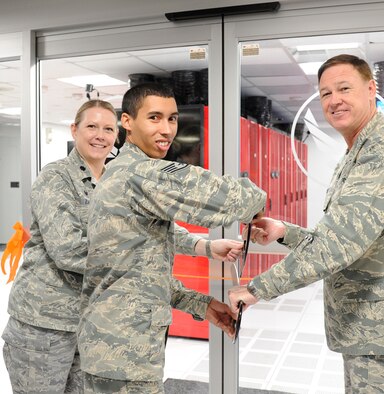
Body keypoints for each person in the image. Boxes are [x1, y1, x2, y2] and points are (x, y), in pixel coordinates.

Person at [229, 54, 384, 393]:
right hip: (372, 331)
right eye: (326, 93)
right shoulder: (356, 152)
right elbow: (352, 235)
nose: (334, 100)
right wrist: (285, 232)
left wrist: (258, 288)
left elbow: (343, 239)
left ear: (371, 89)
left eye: (344, 88)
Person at [77, 82, 266, 393]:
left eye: (172, 118)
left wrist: (200, 303)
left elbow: (138, 272)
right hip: (124, 351)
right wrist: (257, 203)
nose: (166, 129)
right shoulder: (140, 174)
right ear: (128, 122)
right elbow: (225, 198)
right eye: (154, 118)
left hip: (118, 345)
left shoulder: (119, 171)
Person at [1, 100, 118, 393]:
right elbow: (69, 251)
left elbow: (144, 226)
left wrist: (205, 246)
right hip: (43, 326)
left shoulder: (115, 181)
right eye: (92, 126)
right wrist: (134, 263)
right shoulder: (55, 178)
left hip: (88, 322)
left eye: (108, 128)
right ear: (74, 130)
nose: (99, 135)